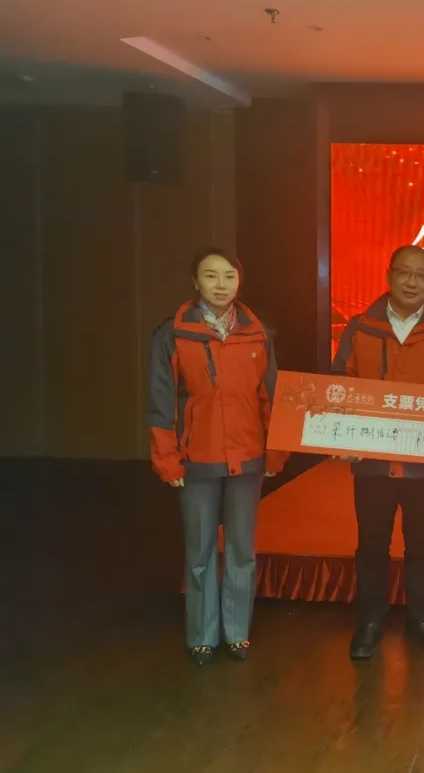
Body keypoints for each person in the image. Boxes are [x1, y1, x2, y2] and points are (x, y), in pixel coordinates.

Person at [333, 245, 424, 660]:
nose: (412, 282)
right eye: (404, 273)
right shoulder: (361, 327)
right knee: (371, 543)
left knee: (422, 544)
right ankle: (371, 621)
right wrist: (338, 438)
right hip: (372, 461)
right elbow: (339, 383)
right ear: (389, 275)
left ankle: (421, 621)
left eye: (422, 275)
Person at [148, 247, 287, 666]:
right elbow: (161, 401)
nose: (221, 285)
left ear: (239, 281)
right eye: (211, 276)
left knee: (242, 549)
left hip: (248, 455)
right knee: (200, 551)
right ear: (195, 282)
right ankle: (202, 635)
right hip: (197, 457)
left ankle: (237, 631)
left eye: (229, 276)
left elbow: (272, 397)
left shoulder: (257, 334)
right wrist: (167, 458)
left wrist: (276, 450)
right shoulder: (174, 334)